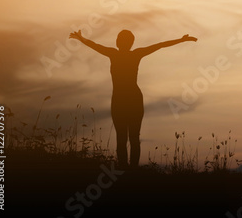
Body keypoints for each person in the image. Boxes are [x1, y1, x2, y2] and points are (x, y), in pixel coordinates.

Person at [69, 29, 197, 168]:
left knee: (126, 137)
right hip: (125, 99)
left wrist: (180, 40)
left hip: (126, 99)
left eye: (121, 39)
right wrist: (181, 40)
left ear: (125, 42)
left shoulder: (117, 54)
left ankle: (128, 170)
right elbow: (160, 45)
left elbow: (159, 45)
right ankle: (128, 169)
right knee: (130, 137)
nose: (119, 41)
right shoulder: (130, 54)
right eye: (119, 38)